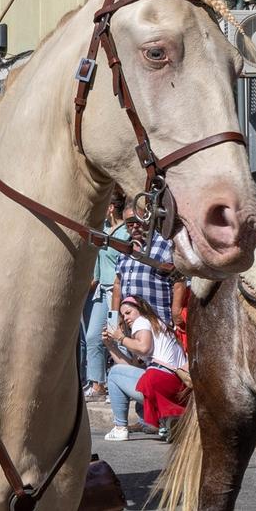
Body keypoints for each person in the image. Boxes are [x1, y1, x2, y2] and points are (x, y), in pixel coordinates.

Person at [100, 295, 188, 442]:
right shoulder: (156, 324)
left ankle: (120, 428)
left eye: (128, 313)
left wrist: (121, 338)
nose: (126, 318)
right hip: (178, 385)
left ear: (140, 309)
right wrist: (111, 346)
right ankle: (169, 422)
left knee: (114, 373)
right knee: (119, 375)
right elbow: (130, 369)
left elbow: (143, 347)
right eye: (122, 315)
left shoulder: (141, 321)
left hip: (160, 380)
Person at [82, 188, 129, 402]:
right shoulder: (103, 230)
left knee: (119, 338)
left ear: (110, 208)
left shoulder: (126, 231)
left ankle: (123, 384)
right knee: (93, 337)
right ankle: (97, 384)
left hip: (119, 292)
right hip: (102, 290)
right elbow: (98, 265)